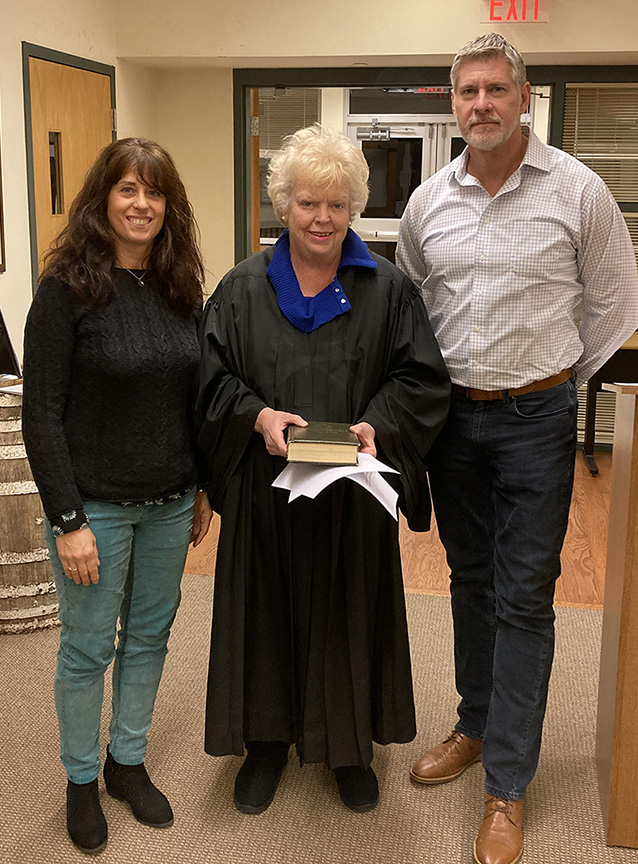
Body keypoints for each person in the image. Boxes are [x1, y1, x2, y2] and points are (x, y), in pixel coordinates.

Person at [397, 33, 638, 864]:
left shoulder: (579, 192)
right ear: (453, 102)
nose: (481, 105)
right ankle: (474, 722)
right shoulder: (428, 203)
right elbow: (415, 306)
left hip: (538, 419)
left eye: (496, 90)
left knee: (526, 596)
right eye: (467, 92)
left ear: (524, 97)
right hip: (453, 425)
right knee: (470, 579)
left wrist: (562, 381)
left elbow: (614, 302)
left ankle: (508, 782)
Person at [195, 124, 450, 816]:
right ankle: (268, 744)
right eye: (309, 203)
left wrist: (378, 426)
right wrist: (256, 416)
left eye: (337, 205)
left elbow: (421, 381)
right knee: (266, 612)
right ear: (285, 204)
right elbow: (209, 380)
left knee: (346, 611)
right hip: (263, 492)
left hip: (350, 492)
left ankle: (346, 747)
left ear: (355, 208)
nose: (322, 218)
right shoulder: (242, 288)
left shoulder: (388, 288)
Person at [22, 138, 213, 855]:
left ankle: (124, 763)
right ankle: (79, 782)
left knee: (149, 637)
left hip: (168, 501)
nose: (142, 204)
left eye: (155, 193)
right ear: (103, 199)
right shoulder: (66, 289)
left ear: (170, 207)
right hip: (93, 508)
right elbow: (40, 413)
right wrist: (67, 518)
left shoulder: (178, 287)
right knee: (85, 648)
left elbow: (191, 400)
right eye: (128, 189)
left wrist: (199, 485)